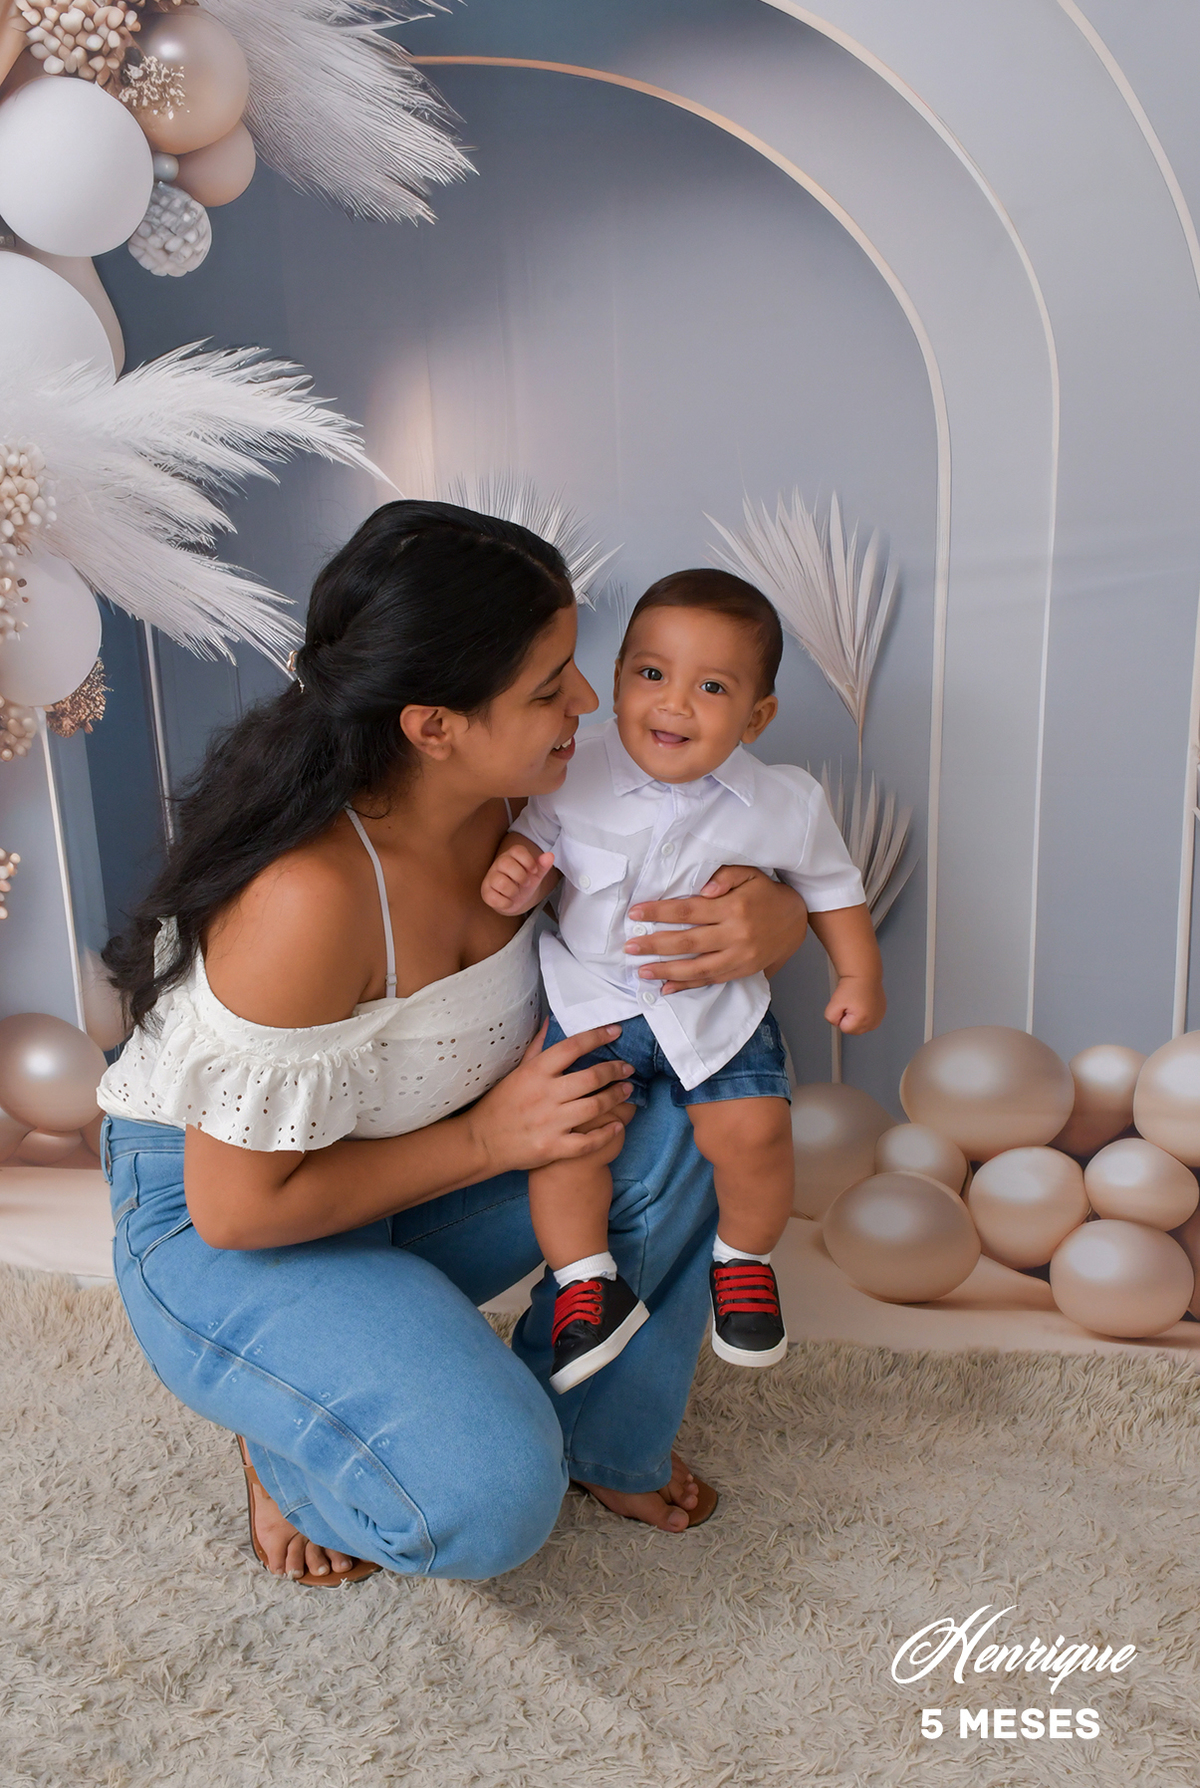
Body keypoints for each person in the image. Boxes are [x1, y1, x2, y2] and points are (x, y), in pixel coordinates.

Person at [96, 503, 814, 1588]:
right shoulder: (307, 897)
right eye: (548, 687)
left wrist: (775, 917)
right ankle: (289, 1434)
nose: (589, 702)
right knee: (486, 1502)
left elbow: (716, 864)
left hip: (417, 1161)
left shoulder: (540, 788)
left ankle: (601, 1438)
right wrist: (490, 1141)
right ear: (434, 726)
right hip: (229, 1222)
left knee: (698, 1112)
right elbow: (237, 1210)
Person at [482, 570, 884, 1394]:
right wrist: (517, 869)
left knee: (755, 1133)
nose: (673, 704)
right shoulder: (575, 771)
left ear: (756, 717)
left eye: (712, 688)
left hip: (715, 1010)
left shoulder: (783, 802)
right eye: (651, 674)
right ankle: (585, 1282)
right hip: (594, 1001)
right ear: (617, 679)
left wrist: (858, 972)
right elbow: (533, 839)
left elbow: (832, 887)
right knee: (569, 1140)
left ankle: (743, 1262)